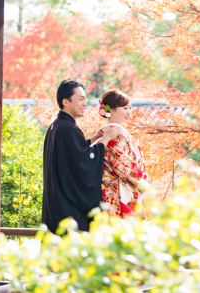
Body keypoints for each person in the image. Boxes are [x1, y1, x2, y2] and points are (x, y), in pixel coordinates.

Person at [42, 78, 121, 233]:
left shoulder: (57, 126)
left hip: (56, 207)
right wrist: (105, 139)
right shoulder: (69, 128)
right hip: (69, 211)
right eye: (81, 99)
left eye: (85, 99)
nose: (85, 103)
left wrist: (94, 139)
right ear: (66, 101)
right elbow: (83, 162)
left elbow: (75, 152)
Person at [89, 89, 151, 218]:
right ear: (111, 110)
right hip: (119, 193)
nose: (129, 112)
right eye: (124, 108)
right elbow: (124, 167)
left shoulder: (109, 132)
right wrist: (143, 179)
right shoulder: (114, 134)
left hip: (118, 189)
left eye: (130, 108)